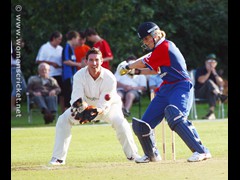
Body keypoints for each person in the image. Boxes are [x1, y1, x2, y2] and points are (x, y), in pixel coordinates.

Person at [117, 21, 212, 163]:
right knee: (143, 125)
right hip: (166, 87)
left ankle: (201, 151)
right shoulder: (158, 50)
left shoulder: (166, 46)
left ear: (155, 35)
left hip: (180, 85)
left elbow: (144, 62)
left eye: (146, 38)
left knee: (176, 117)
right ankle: (152, 155)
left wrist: (129, 66)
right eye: (143, 40)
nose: (145, 42)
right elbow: (155, 69)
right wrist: (135, 71)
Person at [49, 47, 140, 165]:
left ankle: (133, 155)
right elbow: (77, 98)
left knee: (121, 122)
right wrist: (82, 109)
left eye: (97, 60)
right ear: (86, 61)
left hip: (109, 107)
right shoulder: (79, 75)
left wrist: (95, 111)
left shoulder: (109, 77)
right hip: (85, 108)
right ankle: (58, 158)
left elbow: (104, 103)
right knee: (63, 120)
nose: (94, 63)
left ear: (102, 61)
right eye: (91, 60)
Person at [35, 31, 65, 113]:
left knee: (62, 93)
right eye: (59, 39)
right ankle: (48, 111)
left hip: (59, 73)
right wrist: (51, 63)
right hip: (49, 75)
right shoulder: (45, 47)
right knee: (48, 92)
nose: (60, 41)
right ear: (54, 39)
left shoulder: (60, 48)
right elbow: (38, 60)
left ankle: (63, 111)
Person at [194, 53, 228, 120]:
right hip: (199, 92)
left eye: (213, 63)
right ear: (205, 63)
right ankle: (219, 95)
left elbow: (221, 83)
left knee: (211, 91)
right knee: (209, 82)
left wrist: (214, 72)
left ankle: (211, 113)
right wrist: (209, 72)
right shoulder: (200, 70)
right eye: (209, 62)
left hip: (211, 93)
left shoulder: (216, 72)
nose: (211, 64)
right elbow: (201, 81)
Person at [62, 30, 81, 111]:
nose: (78, 41)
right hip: (68, 75)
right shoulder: (67, 47)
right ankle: (68, 113)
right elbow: (66, 61)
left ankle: (73, 112)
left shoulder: (71, 48)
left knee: (73, 94)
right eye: (77, 39)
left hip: (72, 75)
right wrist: (78, 64)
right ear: (73, 38)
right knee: (68, 94)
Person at [11, 39, 27, 112]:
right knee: (16, 87)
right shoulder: (14, 48)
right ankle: (12, 106)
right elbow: (14, 56)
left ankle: (13, 104)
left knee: (23, 87)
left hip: (17, 68)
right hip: (13, 68)